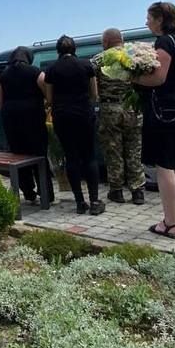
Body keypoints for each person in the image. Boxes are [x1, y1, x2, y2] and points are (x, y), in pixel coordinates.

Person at [134, 1, 175, 239]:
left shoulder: (165, 42)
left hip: (166, 110)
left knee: (165, 166)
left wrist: (132, 79)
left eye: (149, 18)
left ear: (160, 19)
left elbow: (158, 78)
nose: (147, 22)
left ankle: (170, 223)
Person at [42, 35, 102, 215]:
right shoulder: (86, 66)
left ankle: (79, 202)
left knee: (71, 157)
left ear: (58, 51)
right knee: (89, 156)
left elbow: (50, 98)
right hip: (84, 114)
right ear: (75, 49)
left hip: (62, 117)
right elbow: (94, 94)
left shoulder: (51, 69)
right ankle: (95, 200)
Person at [0, 46, 53, 205]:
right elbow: (48, 96)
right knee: (39, 155)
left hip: (12, 120)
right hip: (33, 119)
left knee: (18, 157)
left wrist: (9, 114)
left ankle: (28, 192)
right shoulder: (35, 72)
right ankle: (46, 193)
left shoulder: (3, 76)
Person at [97, 28, 144, 205]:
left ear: (107, 41)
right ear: (121, 40)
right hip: (132, 107)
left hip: (110, 109)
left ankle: (116, 191)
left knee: (113, 151)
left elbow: (92, 84)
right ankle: (137, 191)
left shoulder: (99, 59)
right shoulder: (134, 57)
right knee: (134, 150)